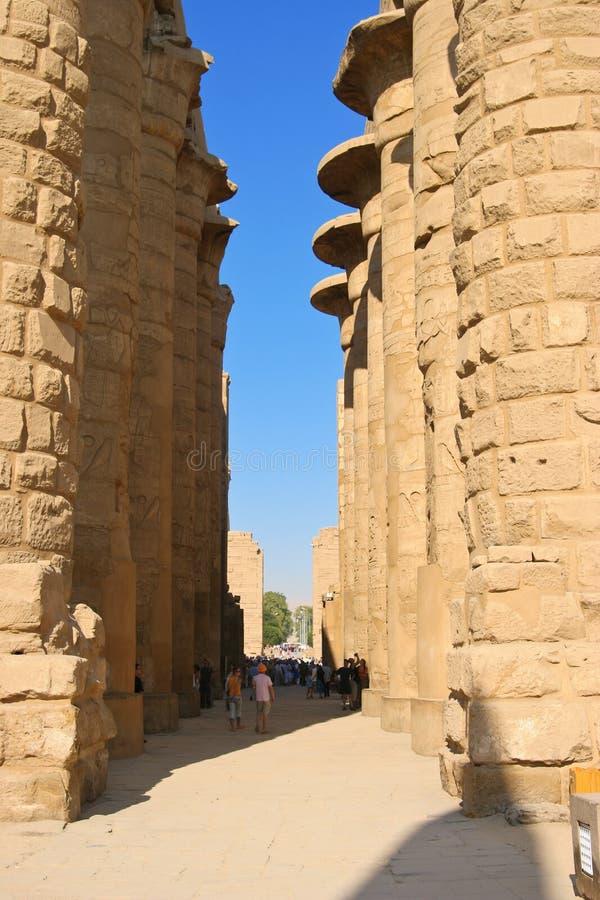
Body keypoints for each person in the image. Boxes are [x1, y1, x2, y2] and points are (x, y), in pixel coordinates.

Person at [253, 662, 275, 734]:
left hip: (258, 698)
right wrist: (273, 697)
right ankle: (264, 728)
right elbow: (271, 688)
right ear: (265, 670)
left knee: (258, 713)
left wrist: (254, 696)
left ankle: (257, 725)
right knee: (265, 714)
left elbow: (254, 688)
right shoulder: (267, 678)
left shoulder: (255, 678)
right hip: (266, 698)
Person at [225, 665, 244, 731]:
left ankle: (233, 727)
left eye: (239, 671)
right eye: (238, 671)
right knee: (238, 711)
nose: (239, 672)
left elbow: (227, 688)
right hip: (237, 696)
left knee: (232, 712)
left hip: (231, 696)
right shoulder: (239, 679)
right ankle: (238, 725)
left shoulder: (230, 679)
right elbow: (237, 688)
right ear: (234, 672)